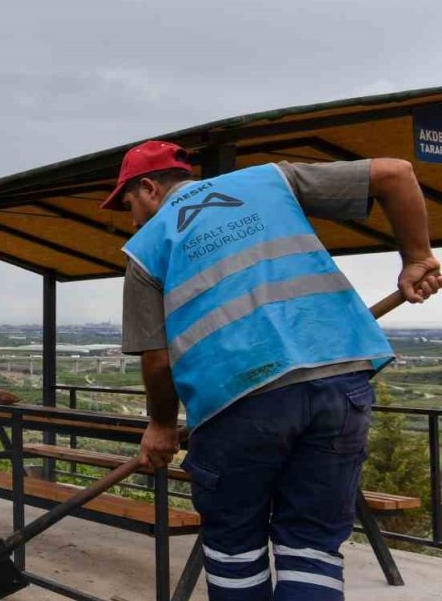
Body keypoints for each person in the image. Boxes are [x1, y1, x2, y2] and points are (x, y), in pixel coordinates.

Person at [101, 140, 440, 600]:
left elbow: (157, 360)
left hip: (237, 405)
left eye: (129, 205)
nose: (133, 218)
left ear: (148, 188)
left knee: (236, 547)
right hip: (339, 385)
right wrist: (417, 257)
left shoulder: (146, 248)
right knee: (312, 546)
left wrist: (161, 425)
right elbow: (396, 173)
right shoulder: (268, 180)